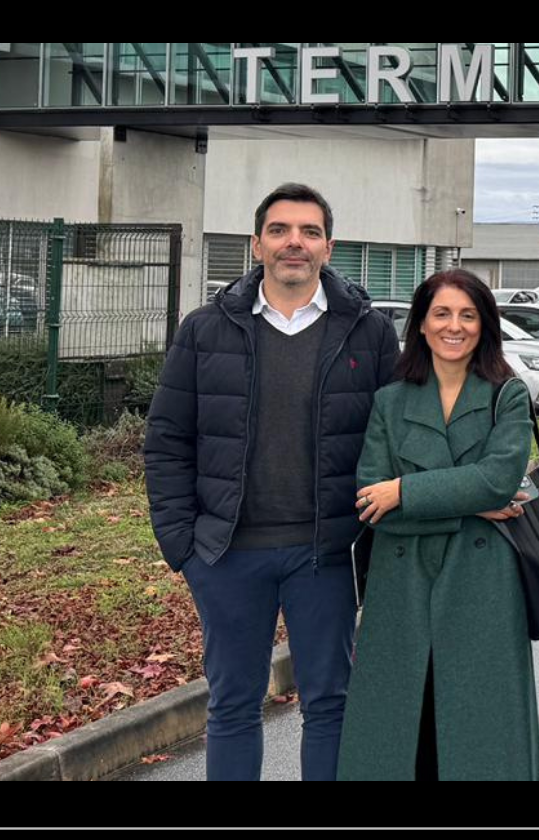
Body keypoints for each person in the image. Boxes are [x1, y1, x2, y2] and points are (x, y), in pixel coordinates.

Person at [144, 182, 398, 781]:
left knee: (330, 703)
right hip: (227, 554)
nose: (294, 243)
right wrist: (184, 548)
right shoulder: (205, 330)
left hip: (327, 552)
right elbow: (167, 440)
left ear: (328, 247)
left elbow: (397, 436)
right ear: (257, 244)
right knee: (233, 705)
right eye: (280, 230)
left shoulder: (368, 332)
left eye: (310, 232)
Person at [338, 269, 539, 780]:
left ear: (485, 324)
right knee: (401, 732)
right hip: (402, 585)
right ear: (422, 324)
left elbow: (498, 479)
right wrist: (468, 505)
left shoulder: (507, 394)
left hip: (483, 586)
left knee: (481, 733)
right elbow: (371, 502)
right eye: (442, 313)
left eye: (468, 315)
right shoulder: (390, 401)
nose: (455, 326)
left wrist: (405, 492)